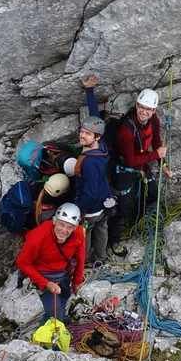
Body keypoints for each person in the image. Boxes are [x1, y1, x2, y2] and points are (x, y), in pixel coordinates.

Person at [108, 87, 167, 254]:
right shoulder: (126, 130)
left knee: (153, 192)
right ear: (136, 105)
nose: (144, 112)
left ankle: (137, 219)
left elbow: (156, 142)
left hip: (142, 164)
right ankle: (114, 240)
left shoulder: (154, 121)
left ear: (154, 110)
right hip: (125, 168)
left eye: (148, 109)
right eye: (141, 107)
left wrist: (163, 164)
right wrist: (156, 154)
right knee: (120, 207)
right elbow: (131, 160)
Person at [16, 201, 86, 324]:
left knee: (64, 297)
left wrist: (77, 280)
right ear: (54, 221)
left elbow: (80, 256)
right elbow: (22, 263)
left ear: (75, 228)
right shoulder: (37, 238)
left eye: (69, 227)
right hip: (45, 276)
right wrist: (46, 283)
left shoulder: (78, 234)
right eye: (61, 224)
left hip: (65, 273)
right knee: (55, 315)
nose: (64, 230)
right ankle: (51, 333)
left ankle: (57, 320)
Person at [73, 78, 117, 260]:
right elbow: (95, 117)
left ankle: (87, 263)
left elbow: (89, 194)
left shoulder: (90, 162)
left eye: (87, 134)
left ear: (96, 137)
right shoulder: (101, 147)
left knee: (86, 235)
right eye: (82, 131)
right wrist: (89, 91)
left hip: (91, 208)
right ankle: (100, 258)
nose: (82, 135)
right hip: (105, 199)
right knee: (102, 230)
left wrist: (76, 209)